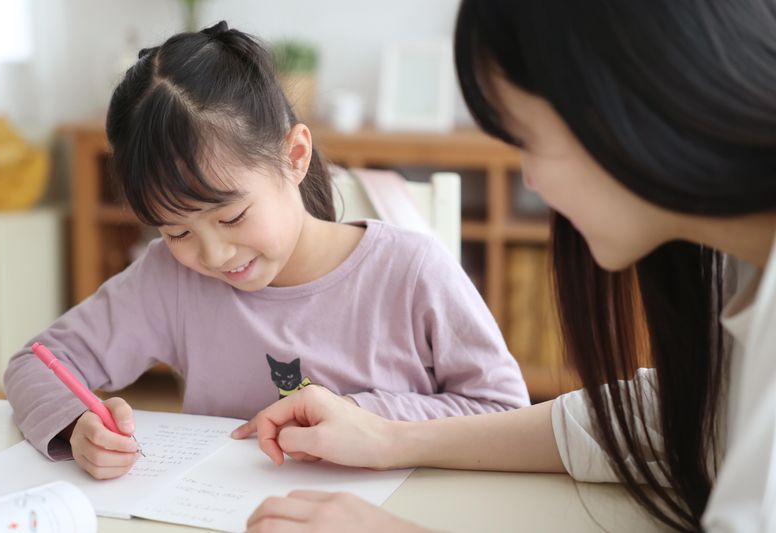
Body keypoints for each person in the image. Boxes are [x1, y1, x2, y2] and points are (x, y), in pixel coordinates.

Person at [236, 1, 776, 531]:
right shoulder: (734, 263)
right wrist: (389, 437)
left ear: (634, 107)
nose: (531, 181)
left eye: (526, 139)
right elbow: (691, 415)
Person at [3, 21, 529, 480]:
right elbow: (37, 363)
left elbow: (505, 413)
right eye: (176, 231)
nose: (211, 254)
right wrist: (77, 425)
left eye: (231, 216)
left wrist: (366, 416)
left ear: (294, 156)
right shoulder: (171, 279)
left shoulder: (413, 272)